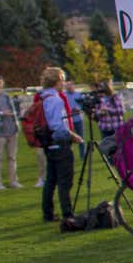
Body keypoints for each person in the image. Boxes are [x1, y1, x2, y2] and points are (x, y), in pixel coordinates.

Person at [37, 67, 81, 222]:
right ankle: (67, 212)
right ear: (57, 81)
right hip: (59, 142)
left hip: (49, 143)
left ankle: (48, 212)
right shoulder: (55, 99)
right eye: (62, 79)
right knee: (64, 180)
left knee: (51, 179)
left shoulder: (43, 97)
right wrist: (72, 135)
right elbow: (57, 124)